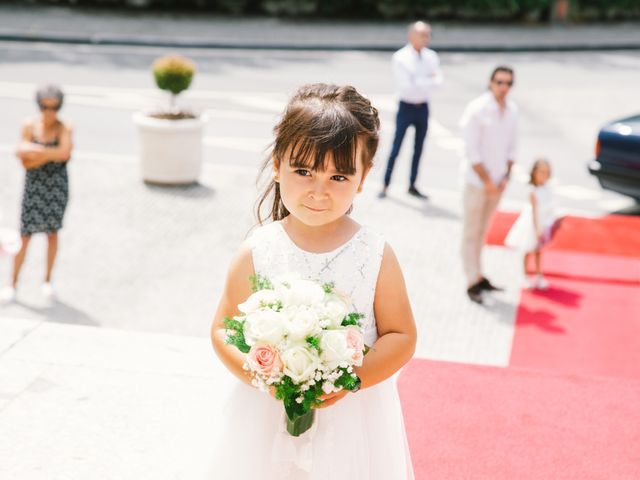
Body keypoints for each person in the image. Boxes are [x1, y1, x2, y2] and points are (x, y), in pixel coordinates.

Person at [210, 84, 416, 479]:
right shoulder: (258, 250)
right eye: (303, 172)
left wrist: (350, 378)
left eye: (338, 177)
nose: (318, 191)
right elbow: (222, 330)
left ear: (363, 176)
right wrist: (263, 375)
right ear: (277, 164)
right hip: (265, 418)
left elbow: (401, 335)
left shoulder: (373, 254)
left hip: (352, 423)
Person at [1, 84, 73, 303]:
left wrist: (38, 153)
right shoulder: (29, 125)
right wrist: (50, 153)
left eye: (54, 107)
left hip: (56, 187)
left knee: (52, 234)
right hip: (34, 187)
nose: (49, 112)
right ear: (39, 106)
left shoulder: (65, 128)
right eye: (45, 107)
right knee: (25, 235)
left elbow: (64, 153)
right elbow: (22, 156)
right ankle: (12, 283)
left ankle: (47, 280)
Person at [460, 66, 518, 304]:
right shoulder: (477, 110)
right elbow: (472, 152)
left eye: (508, 83)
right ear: (491, 82)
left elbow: (512, 147)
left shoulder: (512, 110)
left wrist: (505, 178)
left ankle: (479, 273)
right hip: (477, 183)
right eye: (499, 82)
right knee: (471, 232)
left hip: (497, 184)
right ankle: (471, 280)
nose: (503, 87)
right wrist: (487, 181)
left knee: (483, 231)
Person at [379, 20, 443, 200]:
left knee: (419, 148)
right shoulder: (401, 57)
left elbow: (439, 84)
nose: (426, 38)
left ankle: (413, 184)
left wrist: (419, 81)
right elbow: (406, 87)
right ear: (411, 35)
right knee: (396, 147)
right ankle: (385, 184)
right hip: (406, 106)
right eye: (423, 35)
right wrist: (427, 81)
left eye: (428, 35)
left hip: (423, 106)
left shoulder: (431, 56)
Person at [505, 159, 560, 290]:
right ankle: (524, 275)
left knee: (539, 251)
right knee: (527, 250)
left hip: (543, 222)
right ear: (534, 172)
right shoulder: (532, 191)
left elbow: (550, 207)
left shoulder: (547, 189)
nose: (543, 175)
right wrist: (537, 229)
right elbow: (534, 212)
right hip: (532, 225)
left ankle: (539, 275)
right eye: (541, 172)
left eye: (546, 172)